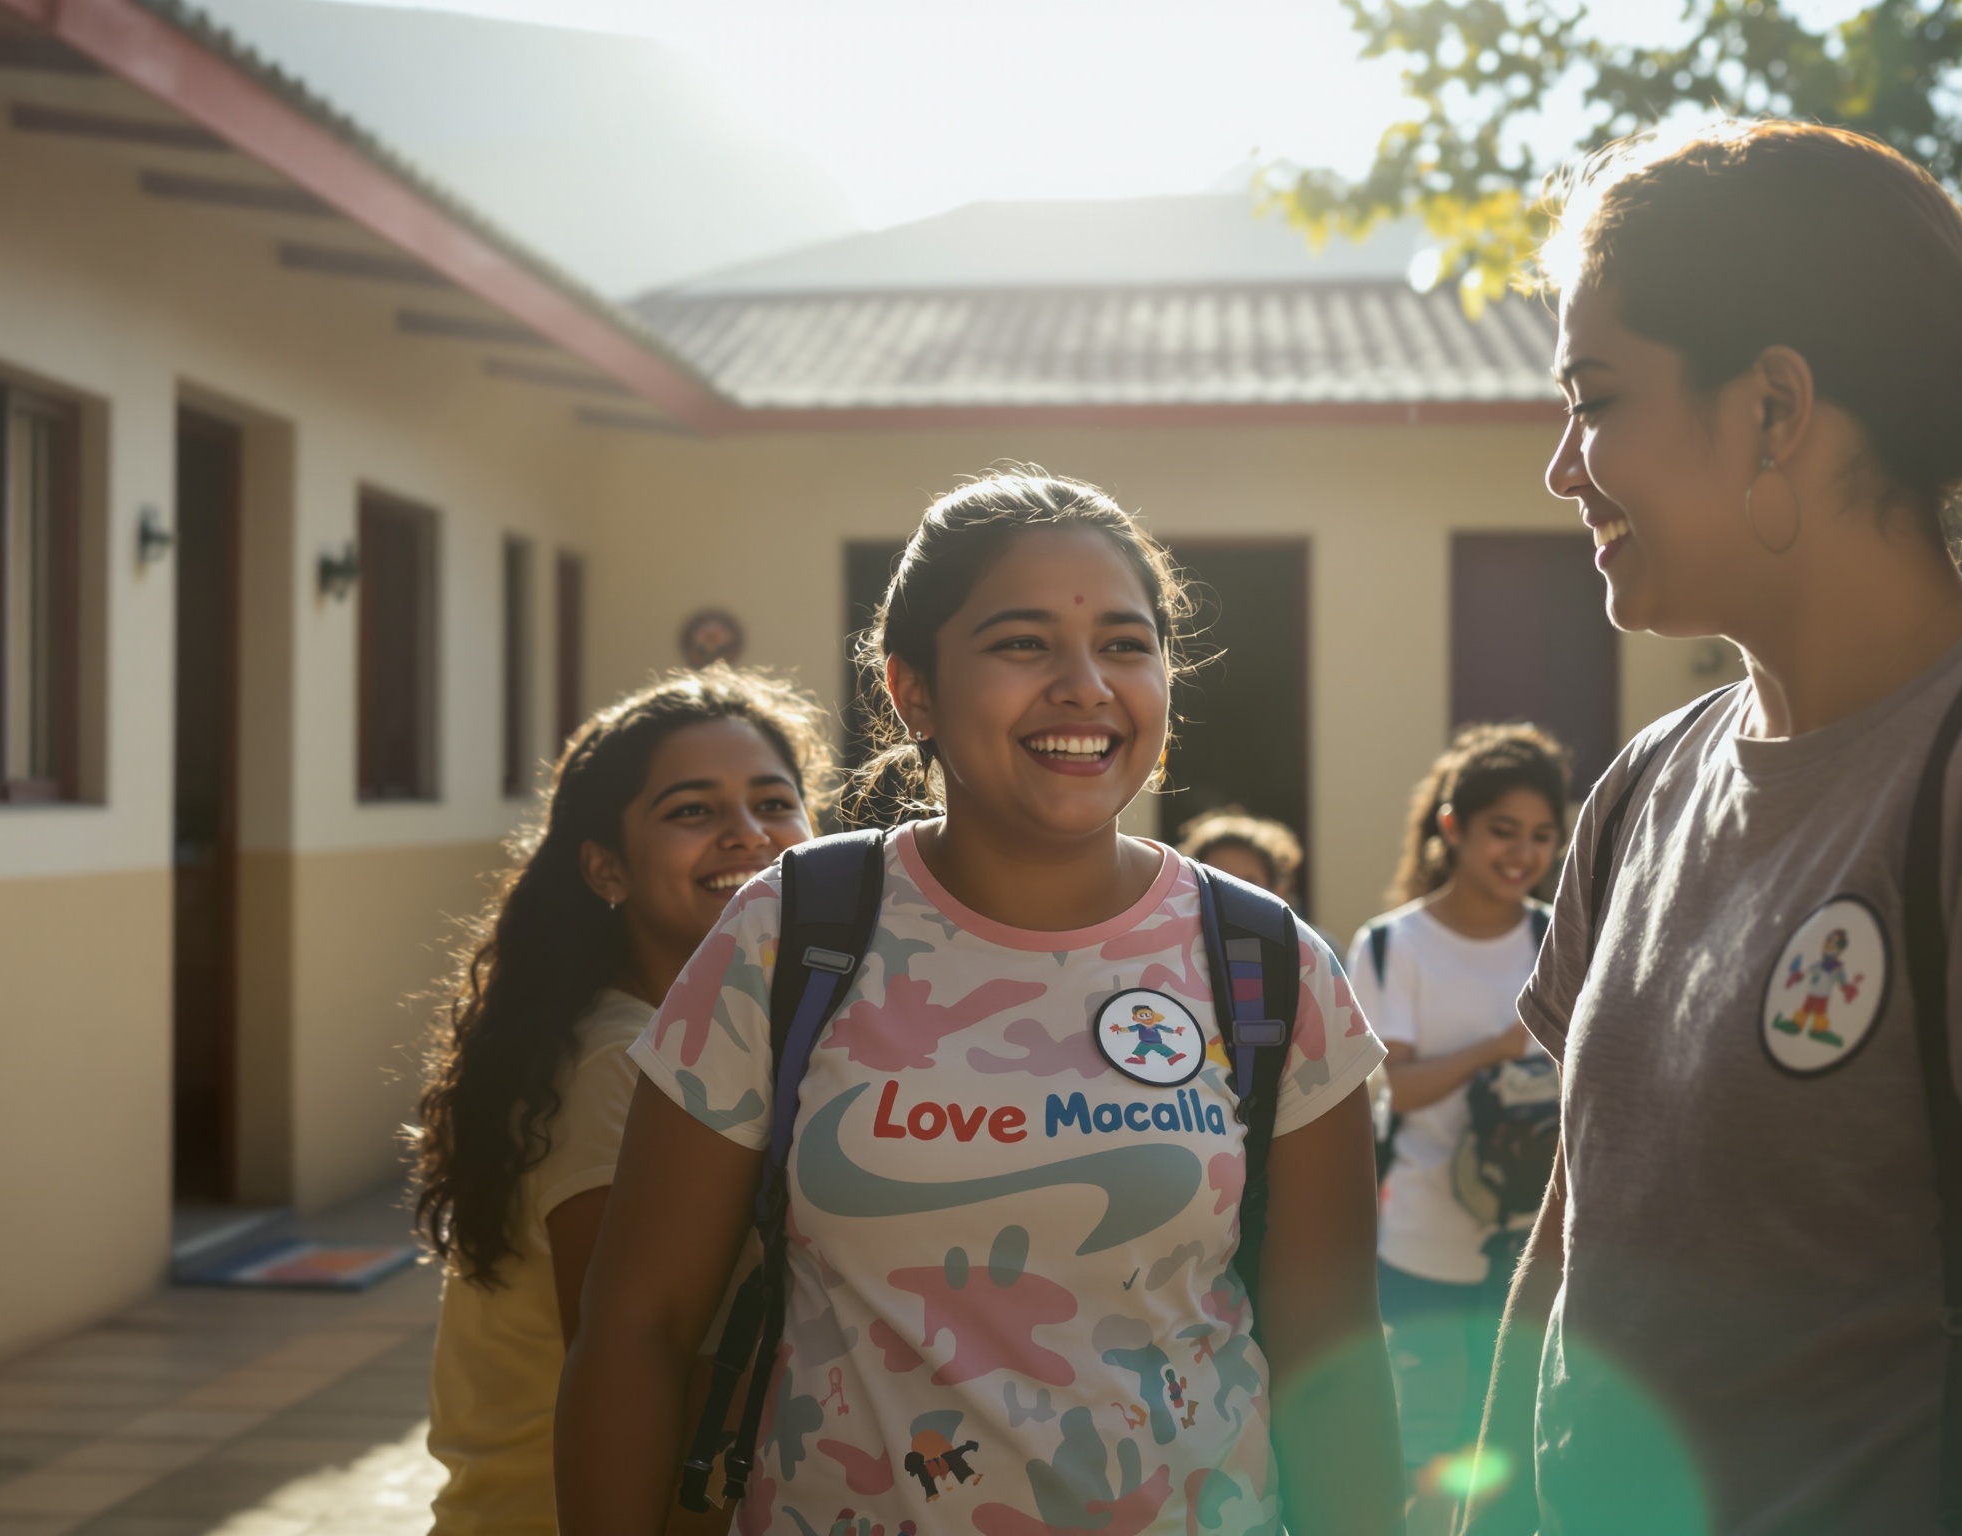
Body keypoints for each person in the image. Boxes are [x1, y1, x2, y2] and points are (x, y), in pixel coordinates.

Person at [1470, 122, 1962, 1536]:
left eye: (1595, 399)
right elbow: (1570, 1252)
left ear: (1776, 408)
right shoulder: (1644, 790)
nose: (1563, 468)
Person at [557, 470, 1403, 1536]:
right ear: (912, 688)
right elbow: (636, 1325)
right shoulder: (791, 936)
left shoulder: (1267, 964)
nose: (1085, 684)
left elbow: (1334, 1350)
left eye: (1126, 645)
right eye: (1022, 643)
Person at [412, 666, 835, 1536]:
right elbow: (639, 1379)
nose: (749, 837)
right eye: (693, 811)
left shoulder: (734, 1038)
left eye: (774, 802)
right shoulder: (624, 1064)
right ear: (606, 868)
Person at [1347, 724, 1567, 1527]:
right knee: (1432, 1442)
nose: (1523, 853)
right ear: (1453, 829)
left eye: (1542, 836)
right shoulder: (1394, 944)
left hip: (1540, 1237)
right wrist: (1501, 1048)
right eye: (1502, 831)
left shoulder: (1557, 935)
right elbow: (1395, 1089)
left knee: (1520, 1445)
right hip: (1424, 1239)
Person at [1176, 807, 1305, 906]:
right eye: (1217, 882)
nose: (1232, 895)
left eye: (1248, 884)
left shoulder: (1303, 940)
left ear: (1278, 891)